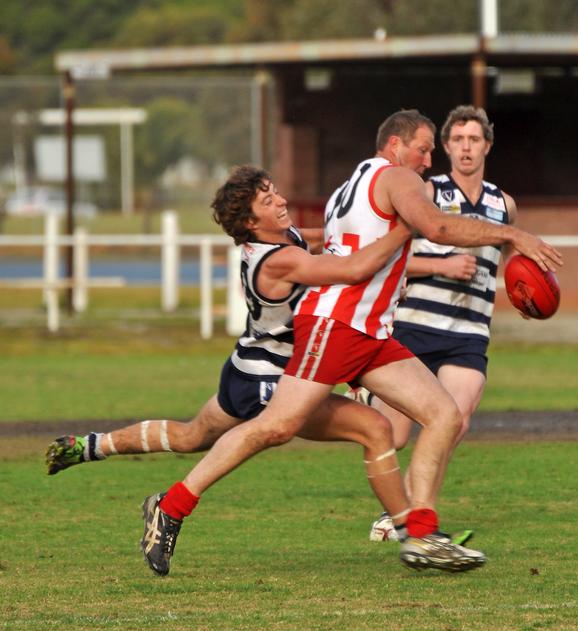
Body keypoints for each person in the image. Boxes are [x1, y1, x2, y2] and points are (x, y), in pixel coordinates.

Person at [139, 109, 562, 577]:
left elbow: (361, 240)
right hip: (337, 326)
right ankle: (171, 506)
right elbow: (438, 229)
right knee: (276, 428)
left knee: (439, 415)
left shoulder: (353, 183)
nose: (427, 161)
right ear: (396, 145)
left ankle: (421, 534)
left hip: (373, 334)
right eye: (423, 148)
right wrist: (513, 234)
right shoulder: (396, 176)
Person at [47, 164, 467, 574]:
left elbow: (335, 240)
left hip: (243, 367)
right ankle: (412, 534)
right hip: (271, 376)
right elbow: (353, 268)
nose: (281, 201)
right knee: (372, 429)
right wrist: (405, 226)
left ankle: (88, 446)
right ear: (251, 221)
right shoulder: (277, 260)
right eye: (269, 200)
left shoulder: (286, 239)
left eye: (276, 191)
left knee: (190, 435)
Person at [356, 105, 521, 542]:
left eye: (474, 139)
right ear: (446, 147)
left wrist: (526, 295)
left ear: (487, 145)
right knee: (395, 434)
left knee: (456, 420)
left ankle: (413, 516)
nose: (466, 147)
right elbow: (391, 257)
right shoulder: (425, 191)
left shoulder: (503, 205)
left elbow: (508, 265)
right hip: (416, 326)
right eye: (458, 140)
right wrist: (441, 267)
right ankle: (367, 397)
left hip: (469, 332)